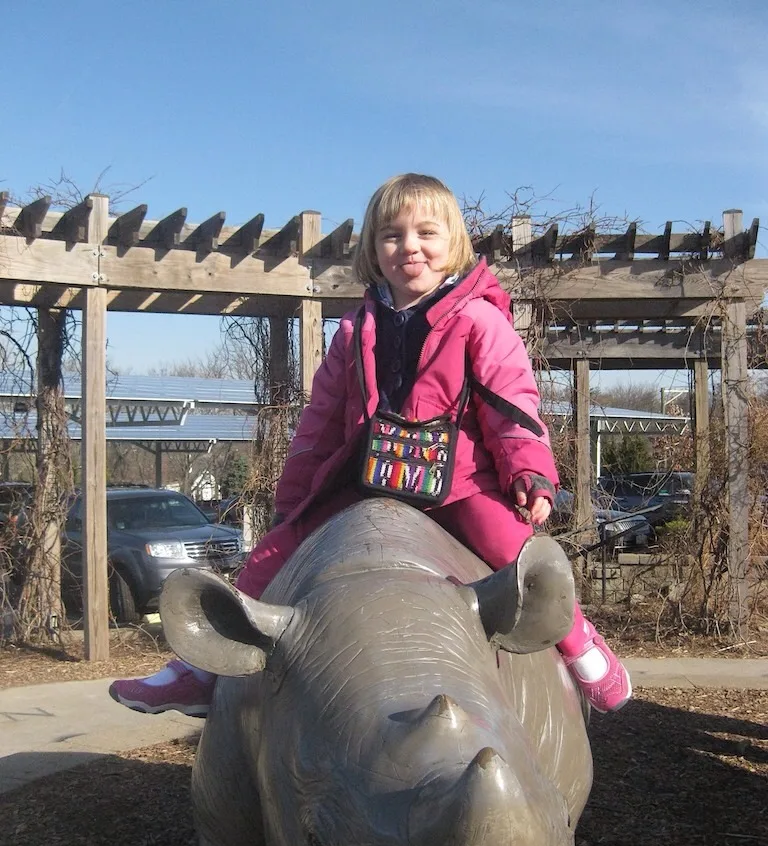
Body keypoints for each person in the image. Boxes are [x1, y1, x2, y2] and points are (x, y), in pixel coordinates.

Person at [110, 173, 631, 718]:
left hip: (458, 481)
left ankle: (583, 651)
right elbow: (321, 422)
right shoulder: (356, 328)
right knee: (270, 557)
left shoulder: (478, 321)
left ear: (453, 242)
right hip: (369, 475)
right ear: (372, 250)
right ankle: (199, 671)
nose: (410, 246)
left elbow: (512, 402)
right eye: (392, 235)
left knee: (514, 551)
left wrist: (530, 473)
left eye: (427, 232)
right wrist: (294, 501)